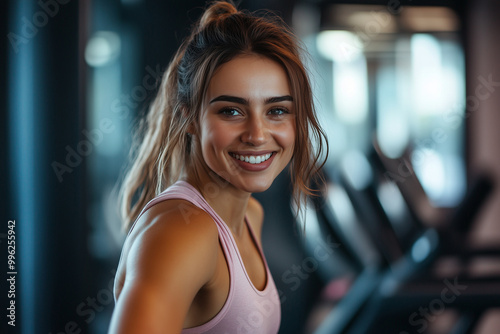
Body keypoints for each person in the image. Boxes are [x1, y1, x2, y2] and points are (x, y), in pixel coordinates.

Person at [108, 1, 327, 333]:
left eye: (277, 111)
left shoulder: (250, 215)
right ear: (188, 118)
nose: (257, 135)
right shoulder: (183, 232)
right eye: (231, 111)